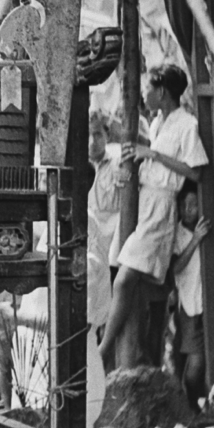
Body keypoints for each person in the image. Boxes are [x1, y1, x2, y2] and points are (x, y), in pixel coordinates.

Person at [98, 64, 207, 370]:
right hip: (143, 201)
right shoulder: (157, 122)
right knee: (134, 282)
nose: (144, 94)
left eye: (148, 88)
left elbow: (196, 172)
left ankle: (105, 348)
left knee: (125, 280)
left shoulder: (187, 124)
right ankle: (141, 359)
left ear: (162, 91)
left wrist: (153, 155)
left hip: (161, 207)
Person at [171, 182, 210, 413]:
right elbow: (175, 267)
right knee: (196, 362)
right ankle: (191, 405)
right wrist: (195, 240)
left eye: (193, 204)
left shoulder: (207, 226)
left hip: (209, 304)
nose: (188, 210)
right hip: (190, 304)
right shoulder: (177, 233)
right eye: (183, 205)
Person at [87, 111, 123, 344]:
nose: (93, 141)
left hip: (112, 250)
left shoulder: (118, 160)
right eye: (89, 135)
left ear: (107, 135)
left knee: (110, 311)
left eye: (98, 134)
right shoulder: (79, 164)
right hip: (89, 248)